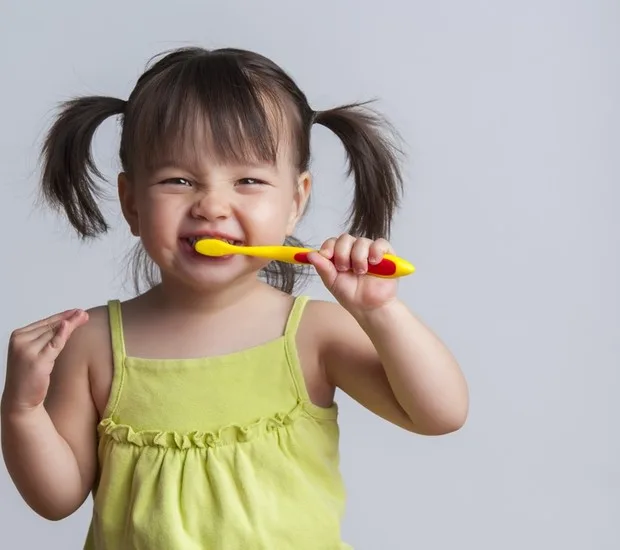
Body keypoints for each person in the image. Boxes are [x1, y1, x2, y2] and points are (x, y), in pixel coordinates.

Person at [1, 47, 469, 549]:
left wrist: (381, 312)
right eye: (178, 180)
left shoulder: (313, 334)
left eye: (248, 180)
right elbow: (57, 500)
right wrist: (21, 411)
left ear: (294, 202)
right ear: (132, 202)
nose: (212, 206)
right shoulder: (91, 343)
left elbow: (439, 414)